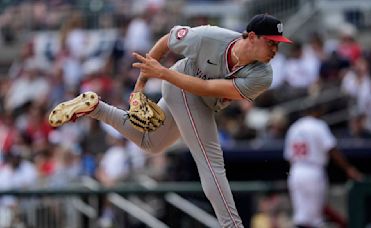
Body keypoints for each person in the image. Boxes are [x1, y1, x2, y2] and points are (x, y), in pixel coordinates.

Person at [48, 13, 292, 227]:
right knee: (210, 161)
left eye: (278, 44)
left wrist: (163, 73)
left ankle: (96, 107)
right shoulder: (208, 36)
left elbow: (208, 87)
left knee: (151, 143)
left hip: (194, 92)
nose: (275, 49)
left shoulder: (263, 74)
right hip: (180, 84)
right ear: (251, 36)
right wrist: (138, 89)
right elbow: (167, 40)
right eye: (271, 42)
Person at [284, 104, 363, 228]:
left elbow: (289, 157)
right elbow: (331, 149)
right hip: (313, 170)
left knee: (300, 216)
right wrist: (348, 168)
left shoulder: (294, 127)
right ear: (314, 111)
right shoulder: (318, 125)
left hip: (296, 171)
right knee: (315, 219)